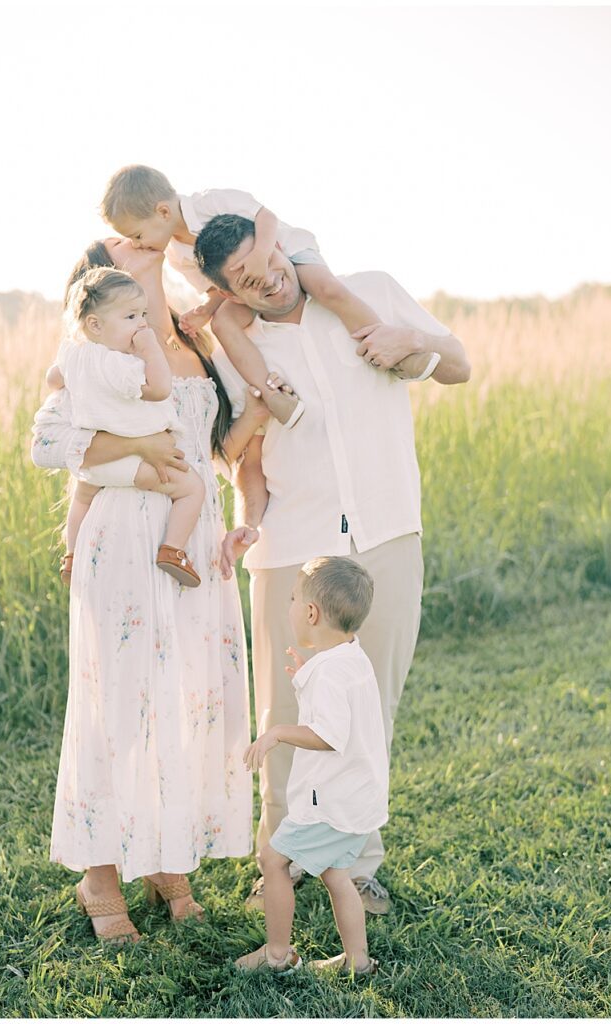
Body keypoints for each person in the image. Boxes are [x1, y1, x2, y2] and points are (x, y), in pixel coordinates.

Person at [192, 213, 471, 914]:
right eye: (247, 284)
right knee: (286, 713)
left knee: (369, 711)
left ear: (280, 243)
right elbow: (232, 457)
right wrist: (251, 492)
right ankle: (277, 866)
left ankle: (359, 863)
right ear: (228, 292)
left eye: (268, 264)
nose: (268, 283)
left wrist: (414, 339)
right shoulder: (232, 349)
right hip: (290, 545)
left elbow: (459, 366)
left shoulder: (369, 290)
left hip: (386, 533)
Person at [32, 238, 266, 945]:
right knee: (122, 701)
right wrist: (134, 449)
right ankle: (100, 878)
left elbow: (215, 451)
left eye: (153, 264)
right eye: (133, 263)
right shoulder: (91, 360)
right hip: (126, 533)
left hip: (189, 541)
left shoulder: (194, 353)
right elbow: (51, 447)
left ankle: (168, 861)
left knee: (185, 699)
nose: (149, 274)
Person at [99, 165, 440, 430]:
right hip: (248, 292)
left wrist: (262, 255)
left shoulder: (209, 202)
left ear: (161, 212)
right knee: (225, 324)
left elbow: (266, 217)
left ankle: (386, 345)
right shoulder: (176, 256)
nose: (138, 244)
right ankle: (275, 395)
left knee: (327, 289)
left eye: (137, 235)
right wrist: (207, 309)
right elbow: (218, 290)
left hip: (285, 259)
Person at [235, 556, 384, 976]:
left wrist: (278, 732)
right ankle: (357, 962)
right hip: (356, 800)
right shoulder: (350, 658)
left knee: (274, 859)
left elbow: (328, 735)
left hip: (330, 803)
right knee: (337, 875)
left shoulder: (329, 675)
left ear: (311, 613)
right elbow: (338, 709)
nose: (290, 606)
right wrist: (308, 676)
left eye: (293, 599)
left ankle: (277, 955)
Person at [48, 266, 205, 588]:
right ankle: (173, 550)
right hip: (134, 463)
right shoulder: (121, 365)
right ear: (95, 324)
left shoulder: (72, 353)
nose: (143, 324)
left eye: (143, 314)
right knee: (192, 488)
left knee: (81, 500)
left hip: (93, 466)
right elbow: (160, 388)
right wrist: (150, 350)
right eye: (131, 317)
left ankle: (72, 555)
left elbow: (52, 380)